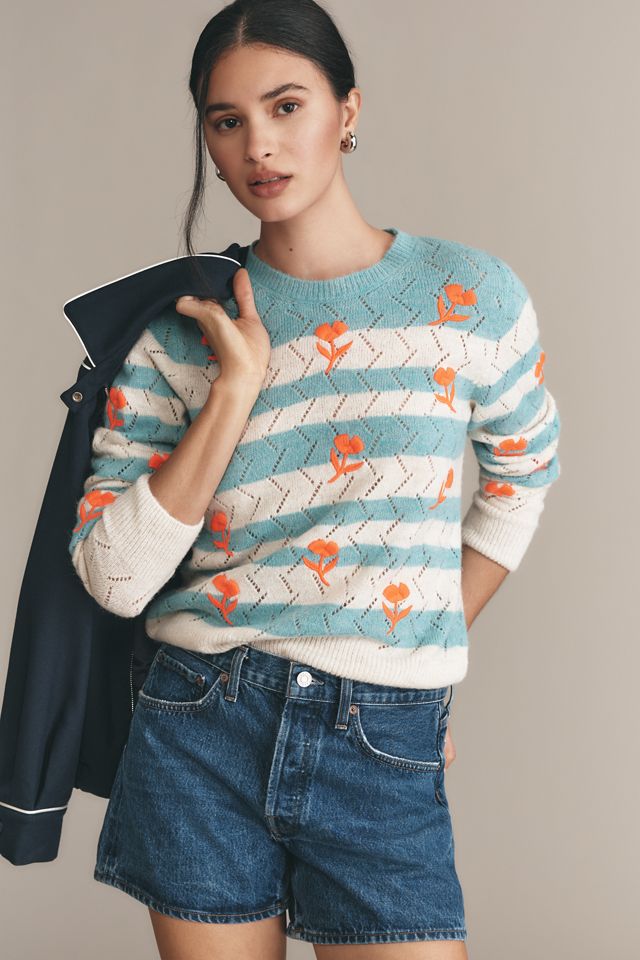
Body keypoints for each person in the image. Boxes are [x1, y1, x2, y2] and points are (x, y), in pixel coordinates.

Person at [68, 1, 561, 957]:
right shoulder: (181, 331)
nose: (259, 144)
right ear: (209, 143)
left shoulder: (470, 299)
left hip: (382, 735)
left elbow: (521, 481)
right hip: (200, 723)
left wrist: (419, 647)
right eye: (227, 120)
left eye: (286, 105)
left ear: (348, 111)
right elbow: (114, 578)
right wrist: (234, 390)